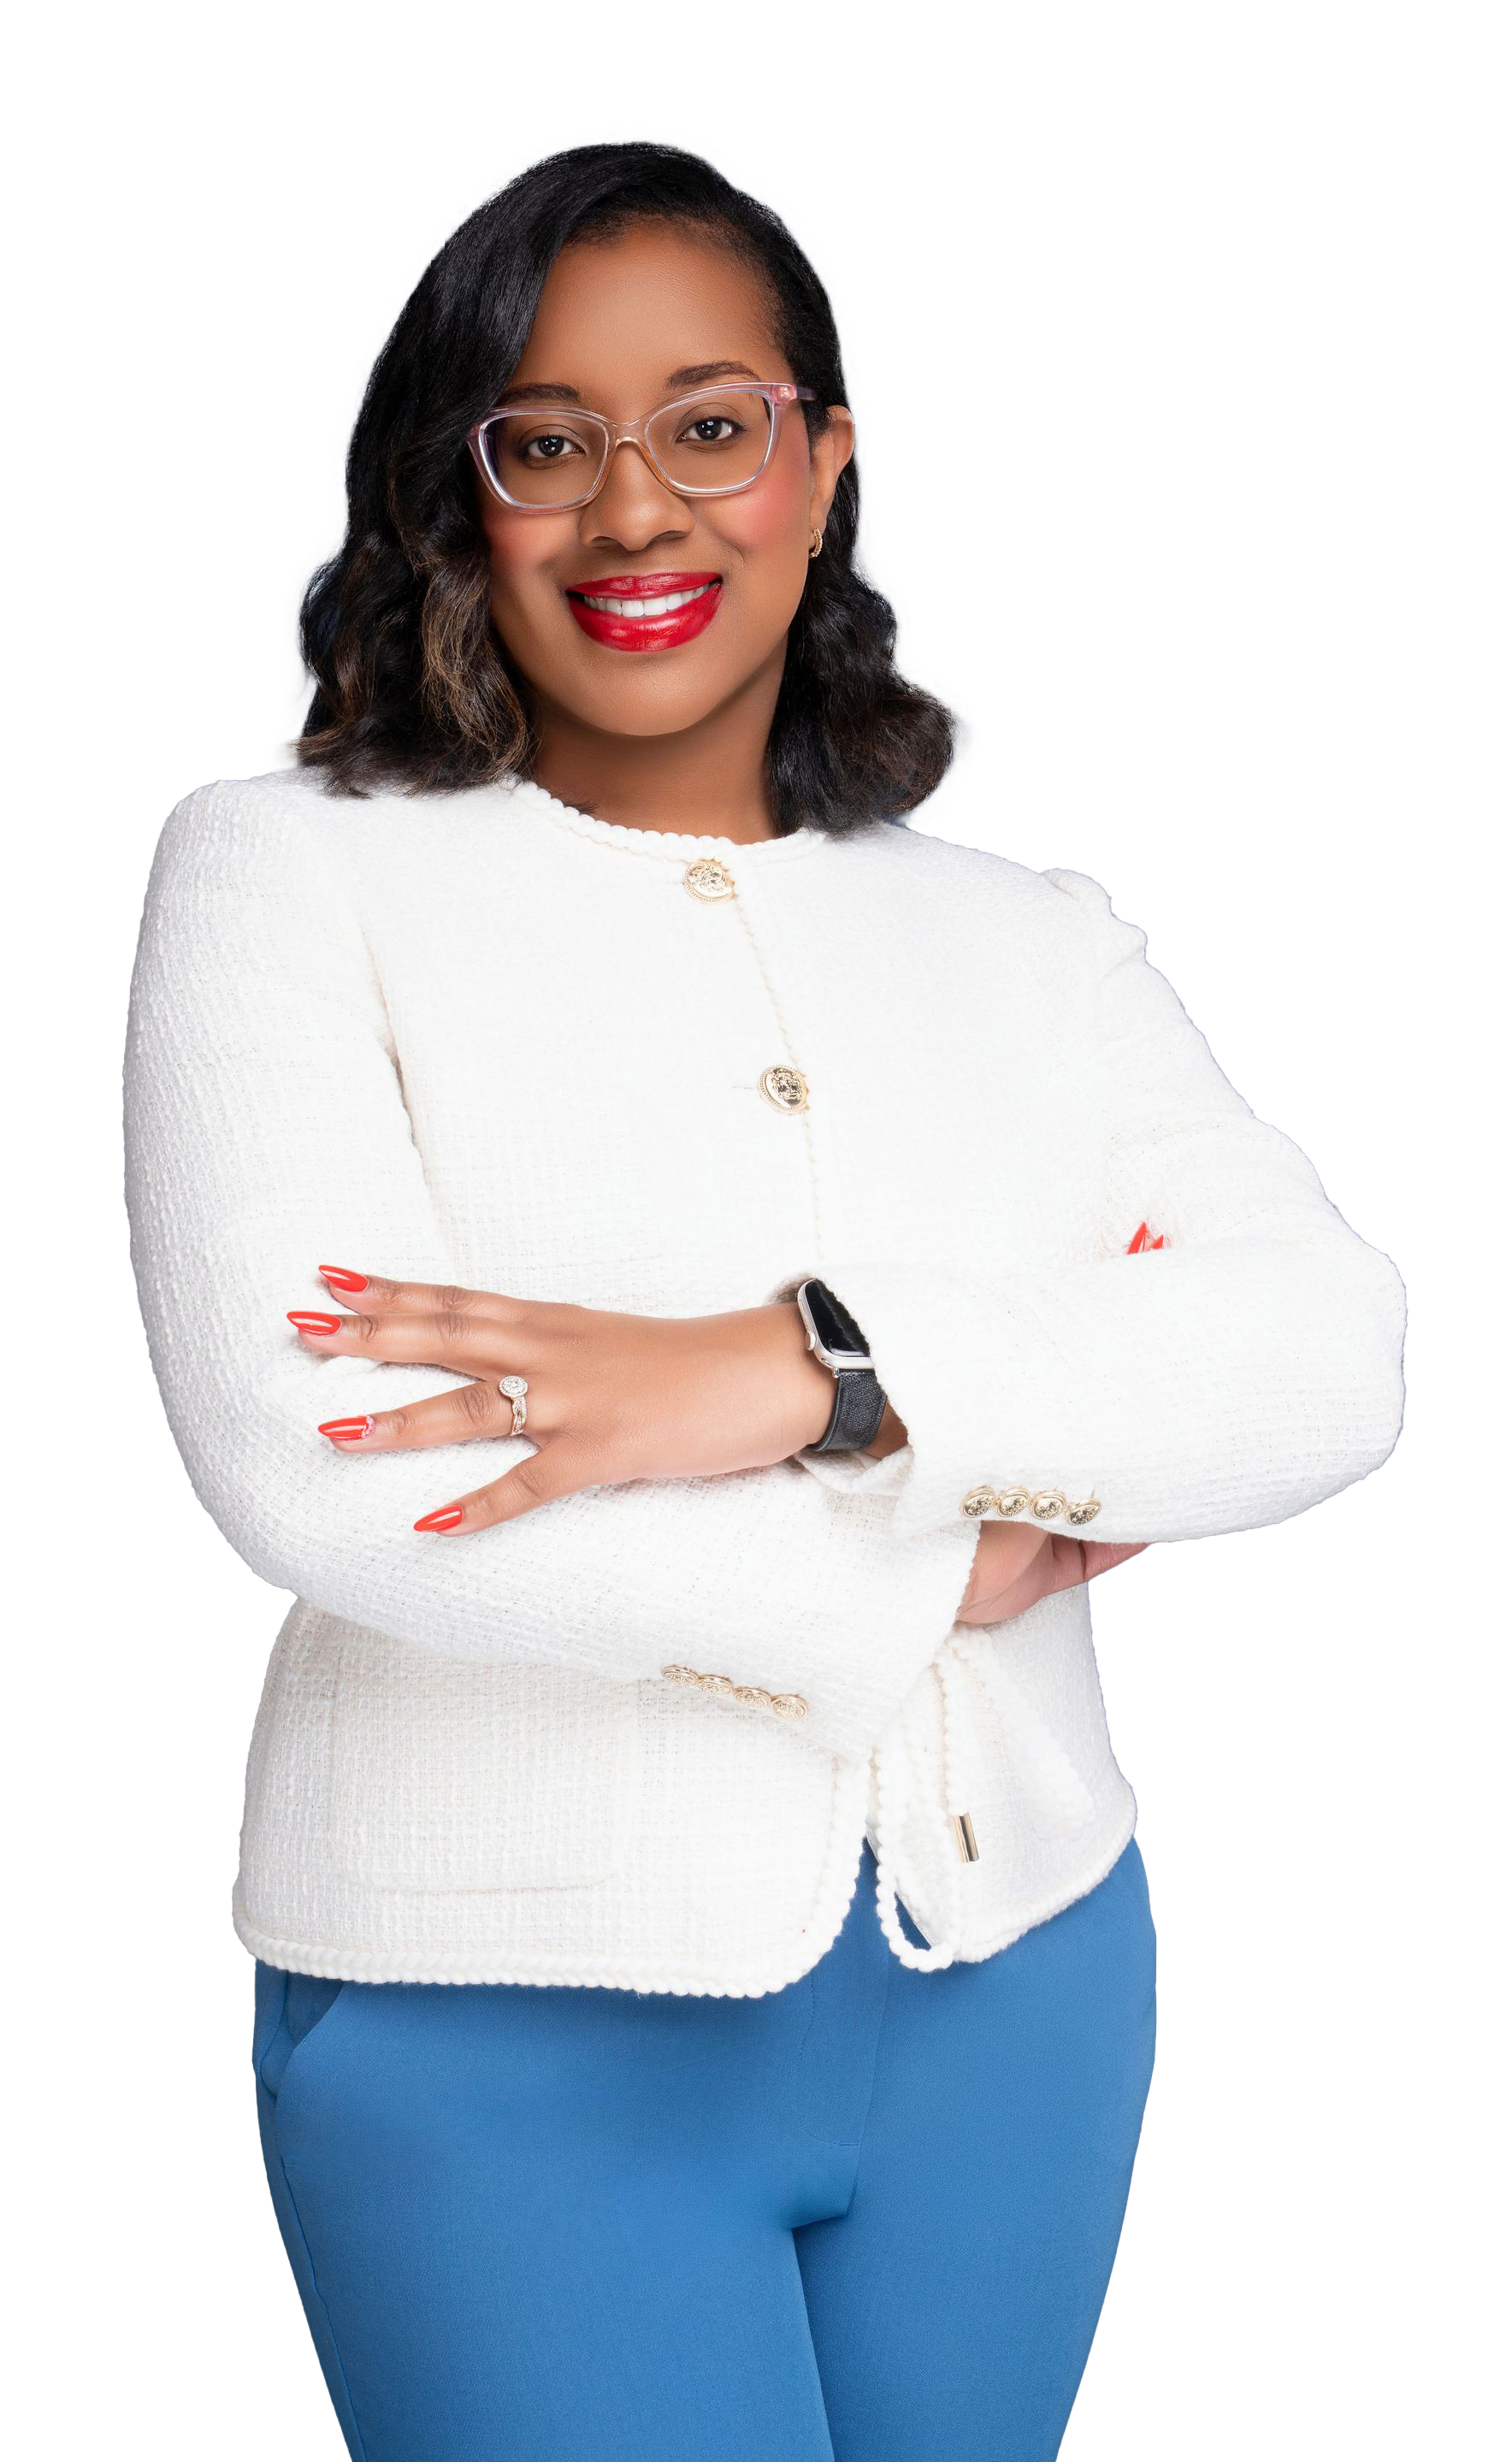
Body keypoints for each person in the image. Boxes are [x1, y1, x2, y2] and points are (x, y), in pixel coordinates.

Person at [121, 141, 1408, 2462]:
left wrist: (807, 1369)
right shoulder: (287, 875)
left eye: (712, 422)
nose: (640, 508)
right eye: (548, 438)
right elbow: (317, 1469)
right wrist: (948, 1557)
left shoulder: (1025, 930)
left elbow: (1329, 1346)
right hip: (501, 2021)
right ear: (462, 491)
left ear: (820, 460)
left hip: (1018, 1986)